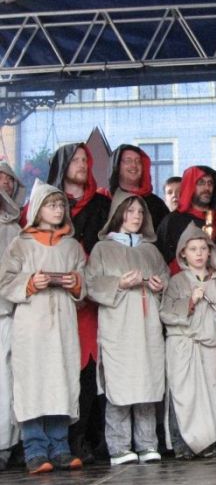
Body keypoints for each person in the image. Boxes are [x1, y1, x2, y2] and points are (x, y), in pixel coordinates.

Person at [0, 180, 86, 474]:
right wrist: (29, 282)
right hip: (31, 324)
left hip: (62, 324)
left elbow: (84, 280)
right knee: (33, 383)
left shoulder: (71, 246)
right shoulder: (21, 244)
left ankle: (60, 447)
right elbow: (4, 281)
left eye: (61, 205)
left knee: (60, 381)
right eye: (51, 205)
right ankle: (35, 450)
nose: (58, 209)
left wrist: (75, 283)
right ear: (37, 209)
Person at [85, 191, 169, 466]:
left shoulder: (150, 250)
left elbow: (166, 278)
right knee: (119, 383)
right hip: (118, 325)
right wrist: (119, 283)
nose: (136, 216)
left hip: (148, 325)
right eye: (131, 211)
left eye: (141, 212)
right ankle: (119, 446)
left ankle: (147, 443)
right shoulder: (103, 249)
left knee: (147, 380)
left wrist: (160, 285)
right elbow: (90, 284)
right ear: (118, 213)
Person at [46, 142, 111, 463]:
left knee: (89, 371)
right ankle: (51, 443)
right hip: (51, 302)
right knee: (57, 369)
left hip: (90, 303)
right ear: (62, 166)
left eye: (86, 159)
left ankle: (83, 438)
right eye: (76, 160)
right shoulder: (46, 204)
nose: (83, 164)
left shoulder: (103, 204)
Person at [160, 223, 216, 459]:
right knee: (184, 397)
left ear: (210, 252)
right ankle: (182, 444)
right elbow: (166, 312)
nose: (199, 254)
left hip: (210, 348)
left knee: (212, 396)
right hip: (184, 347)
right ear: (183, 253)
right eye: (193, 249)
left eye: (203, 248)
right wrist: (190, 301)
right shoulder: (176, 282)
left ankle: (208, 443)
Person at [0, 163, 24, 471]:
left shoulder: (15, 232)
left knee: (6, 381)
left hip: (7, 312)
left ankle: (6, 444)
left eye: (9, 180)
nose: (4, 184)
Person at [157, 166, 216, 273]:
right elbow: (163, 261)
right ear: (190, 186)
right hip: (184, 280)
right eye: (201, 183)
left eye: (210, 183)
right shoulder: (172, 221)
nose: (207, 188)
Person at [106, 145, 170, 231]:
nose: (134, 165)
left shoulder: (157, 205)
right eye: (128, 161)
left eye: (138, 161)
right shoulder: (105, 202)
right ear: (116, 166)